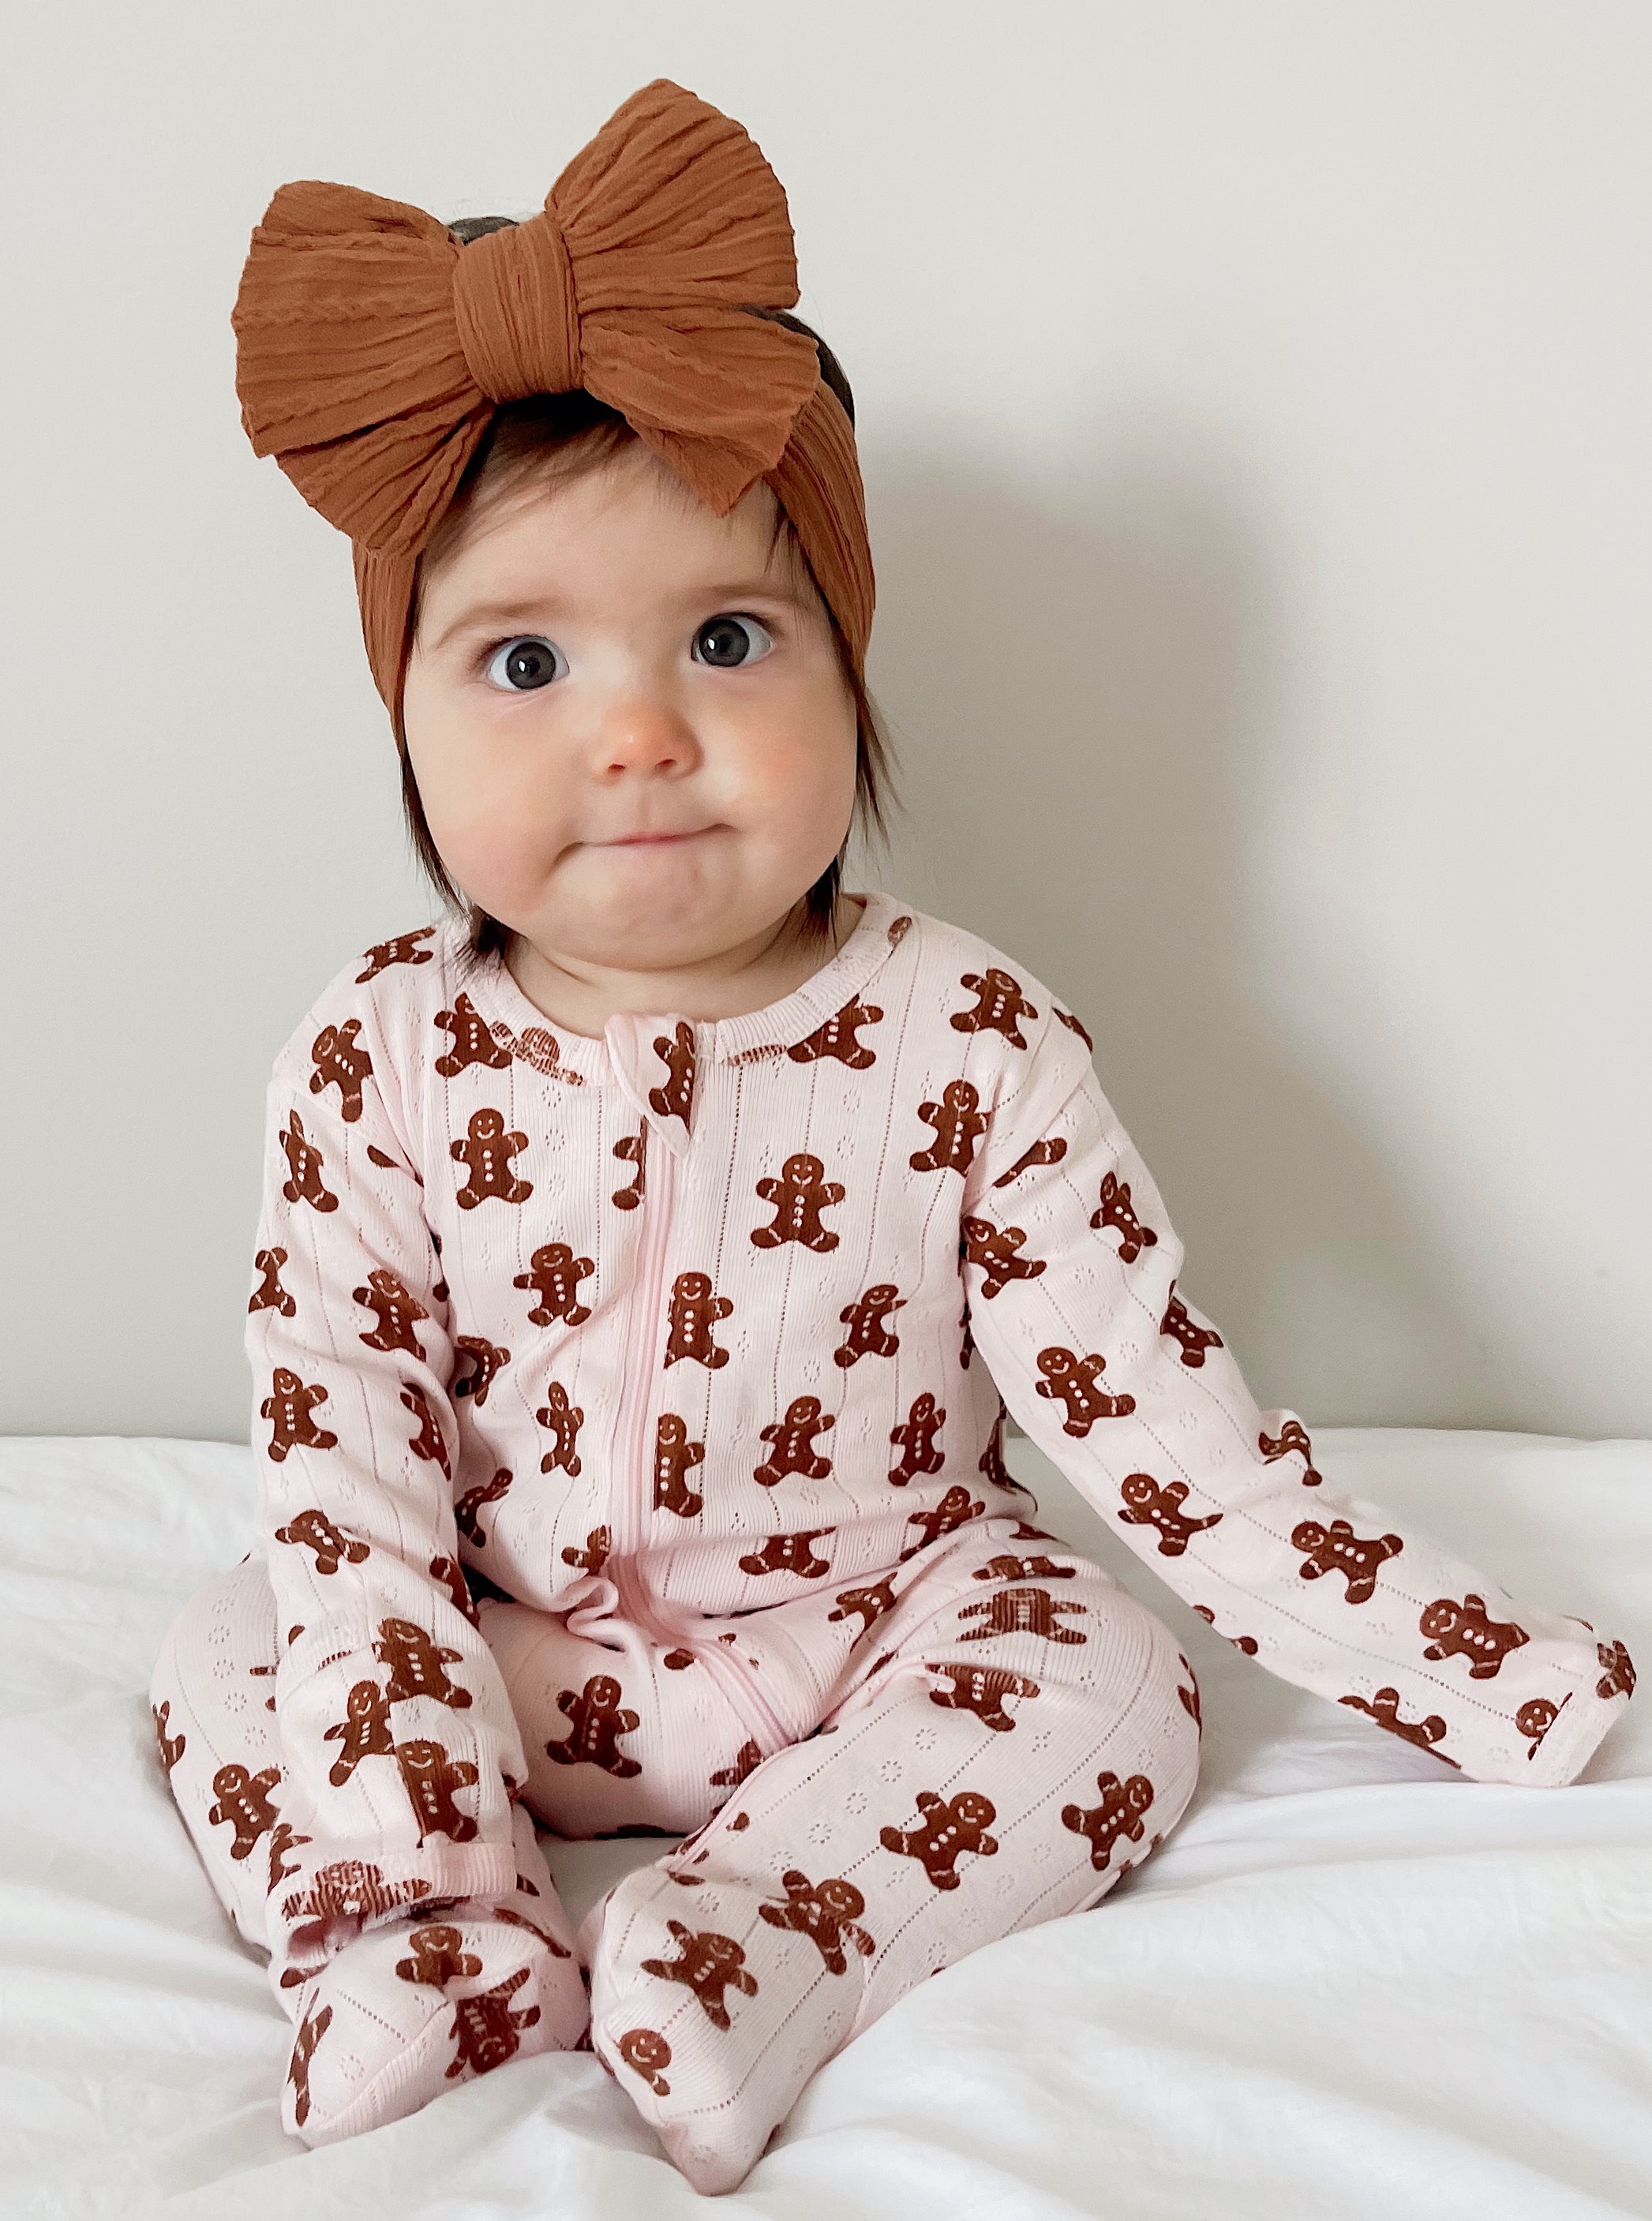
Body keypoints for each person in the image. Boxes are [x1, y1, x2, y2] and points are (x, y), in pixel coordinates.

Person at [148, 77, 1635, 2195]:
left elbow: (1170, 1442)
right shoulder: (375, 1054)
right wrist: (403, 1795)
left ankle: (758, 1946)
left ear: (853, 675)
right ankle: (422, 1943)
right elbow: (352, 1468)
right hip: (513, 1653)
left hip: (873, 1645)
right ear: (403, 715)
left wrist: (1479, 1671)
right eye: (523, 659)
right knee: (248, 1627)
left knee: (1118, 1676)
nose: (640, 728)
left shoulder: (967, 1042)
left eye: (730, 639)